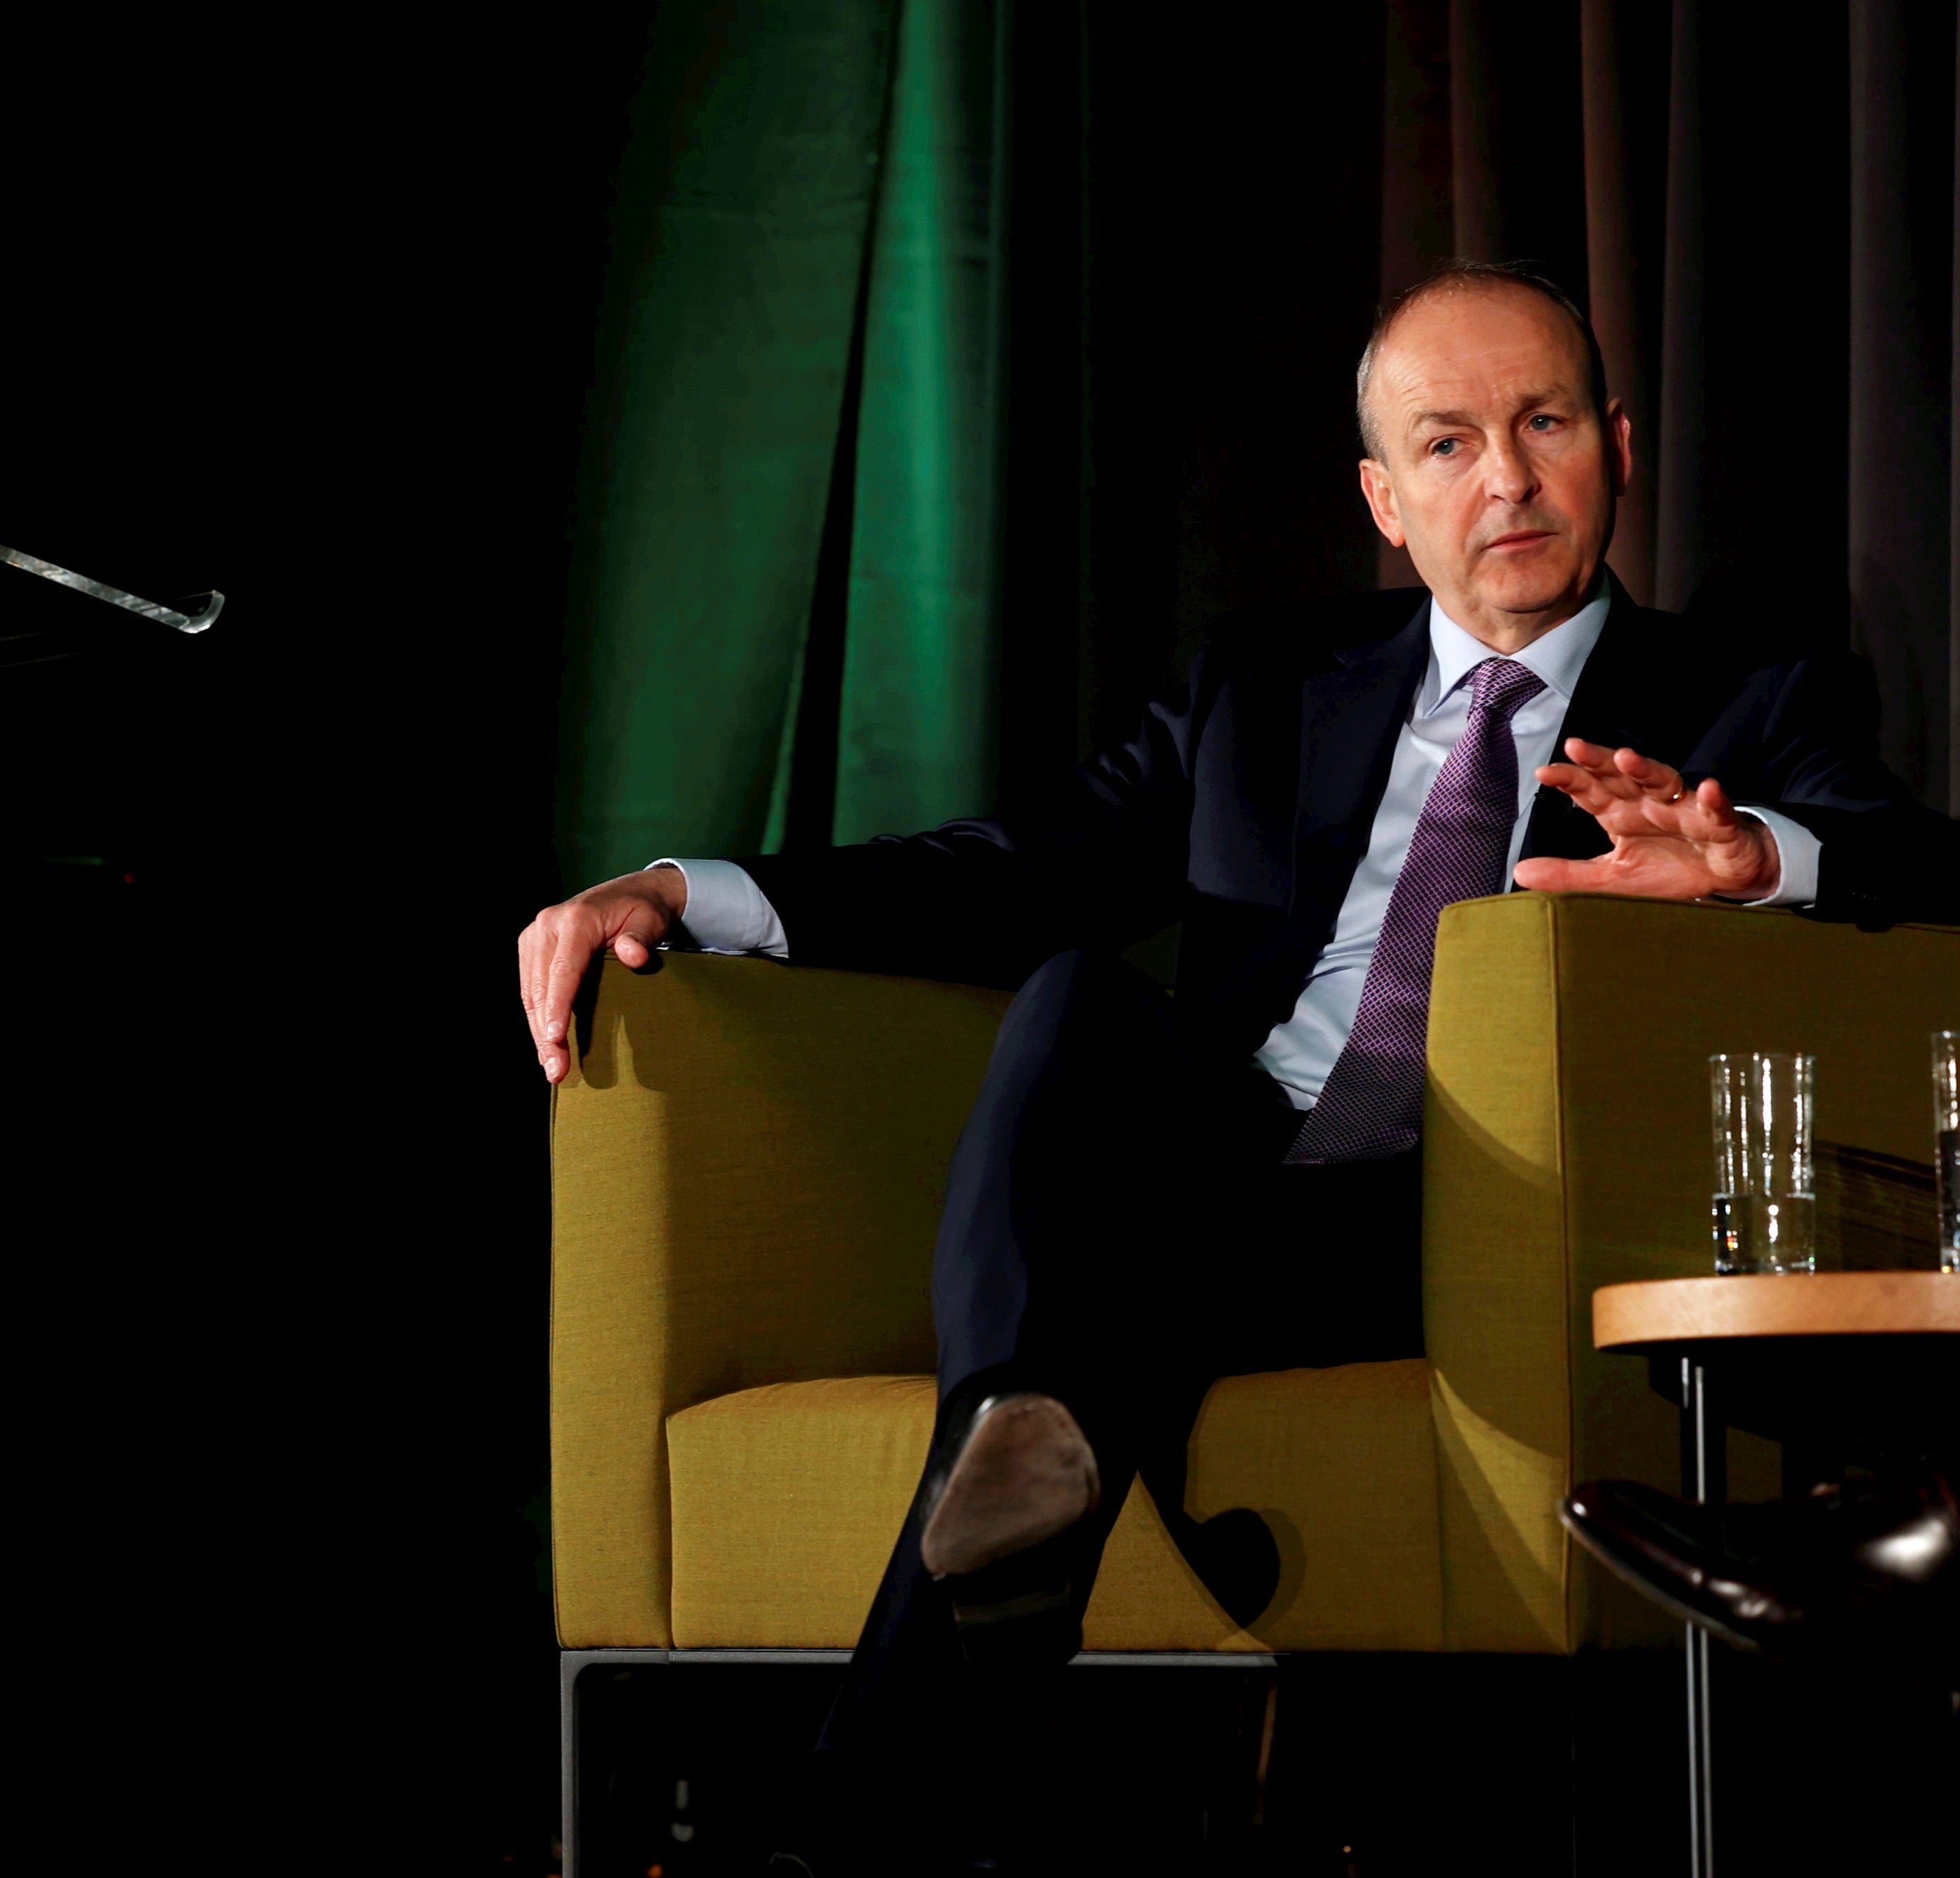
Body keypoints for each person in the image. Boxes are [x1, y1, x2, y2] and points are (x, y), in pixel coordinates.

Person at [518, 260, 1960, 1869]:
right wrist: (679, 890)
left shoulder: (1745, 697)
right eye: (1448, 442)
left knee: (1088, 1295)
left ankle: (903, 1737)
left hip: (1465, 1226)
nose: (1506, 476)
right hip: (1220, 1190)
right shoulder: (1265, 687)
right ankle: (1022, 1438)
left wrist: (1753, 861)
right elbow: (1016, 862)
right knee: (1075, 996)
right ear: (1382, 498)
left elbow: (1920, 857)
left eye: (1545, 422)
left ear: (1617, 445)